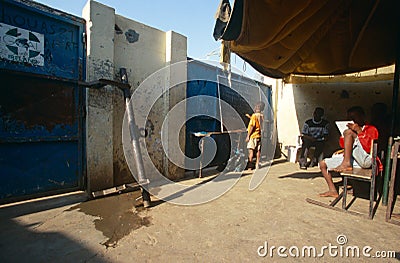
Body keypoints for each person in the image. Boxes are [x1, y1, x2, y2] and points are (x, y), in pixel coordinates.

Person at [318, 106, 379, 197]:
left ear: (362, 117)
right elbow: (343, 145)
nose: (352, 120)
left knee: (348, 133)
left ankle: (346, 163)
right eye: (349, 118)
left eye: (354, 117)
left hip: (366, 159)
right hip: (354, 159)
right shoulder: (350, 131)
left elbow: (369, 147)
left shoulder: (371, 129)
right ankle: (332, 190)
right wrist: (345, 136)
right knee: (323, 164)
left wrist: (359, 131)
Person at [246, 102, 265, 170]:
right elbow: (258, 124)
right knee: (258, 151)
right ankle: (257, 165)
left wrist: (248, 136)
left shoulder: (254, 116)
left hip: (253, 136)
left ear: (257, 107)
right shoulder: (262, 116)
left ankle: (250, 166)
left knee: (251, 151)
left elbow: (252, 126)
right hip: (259, 135)